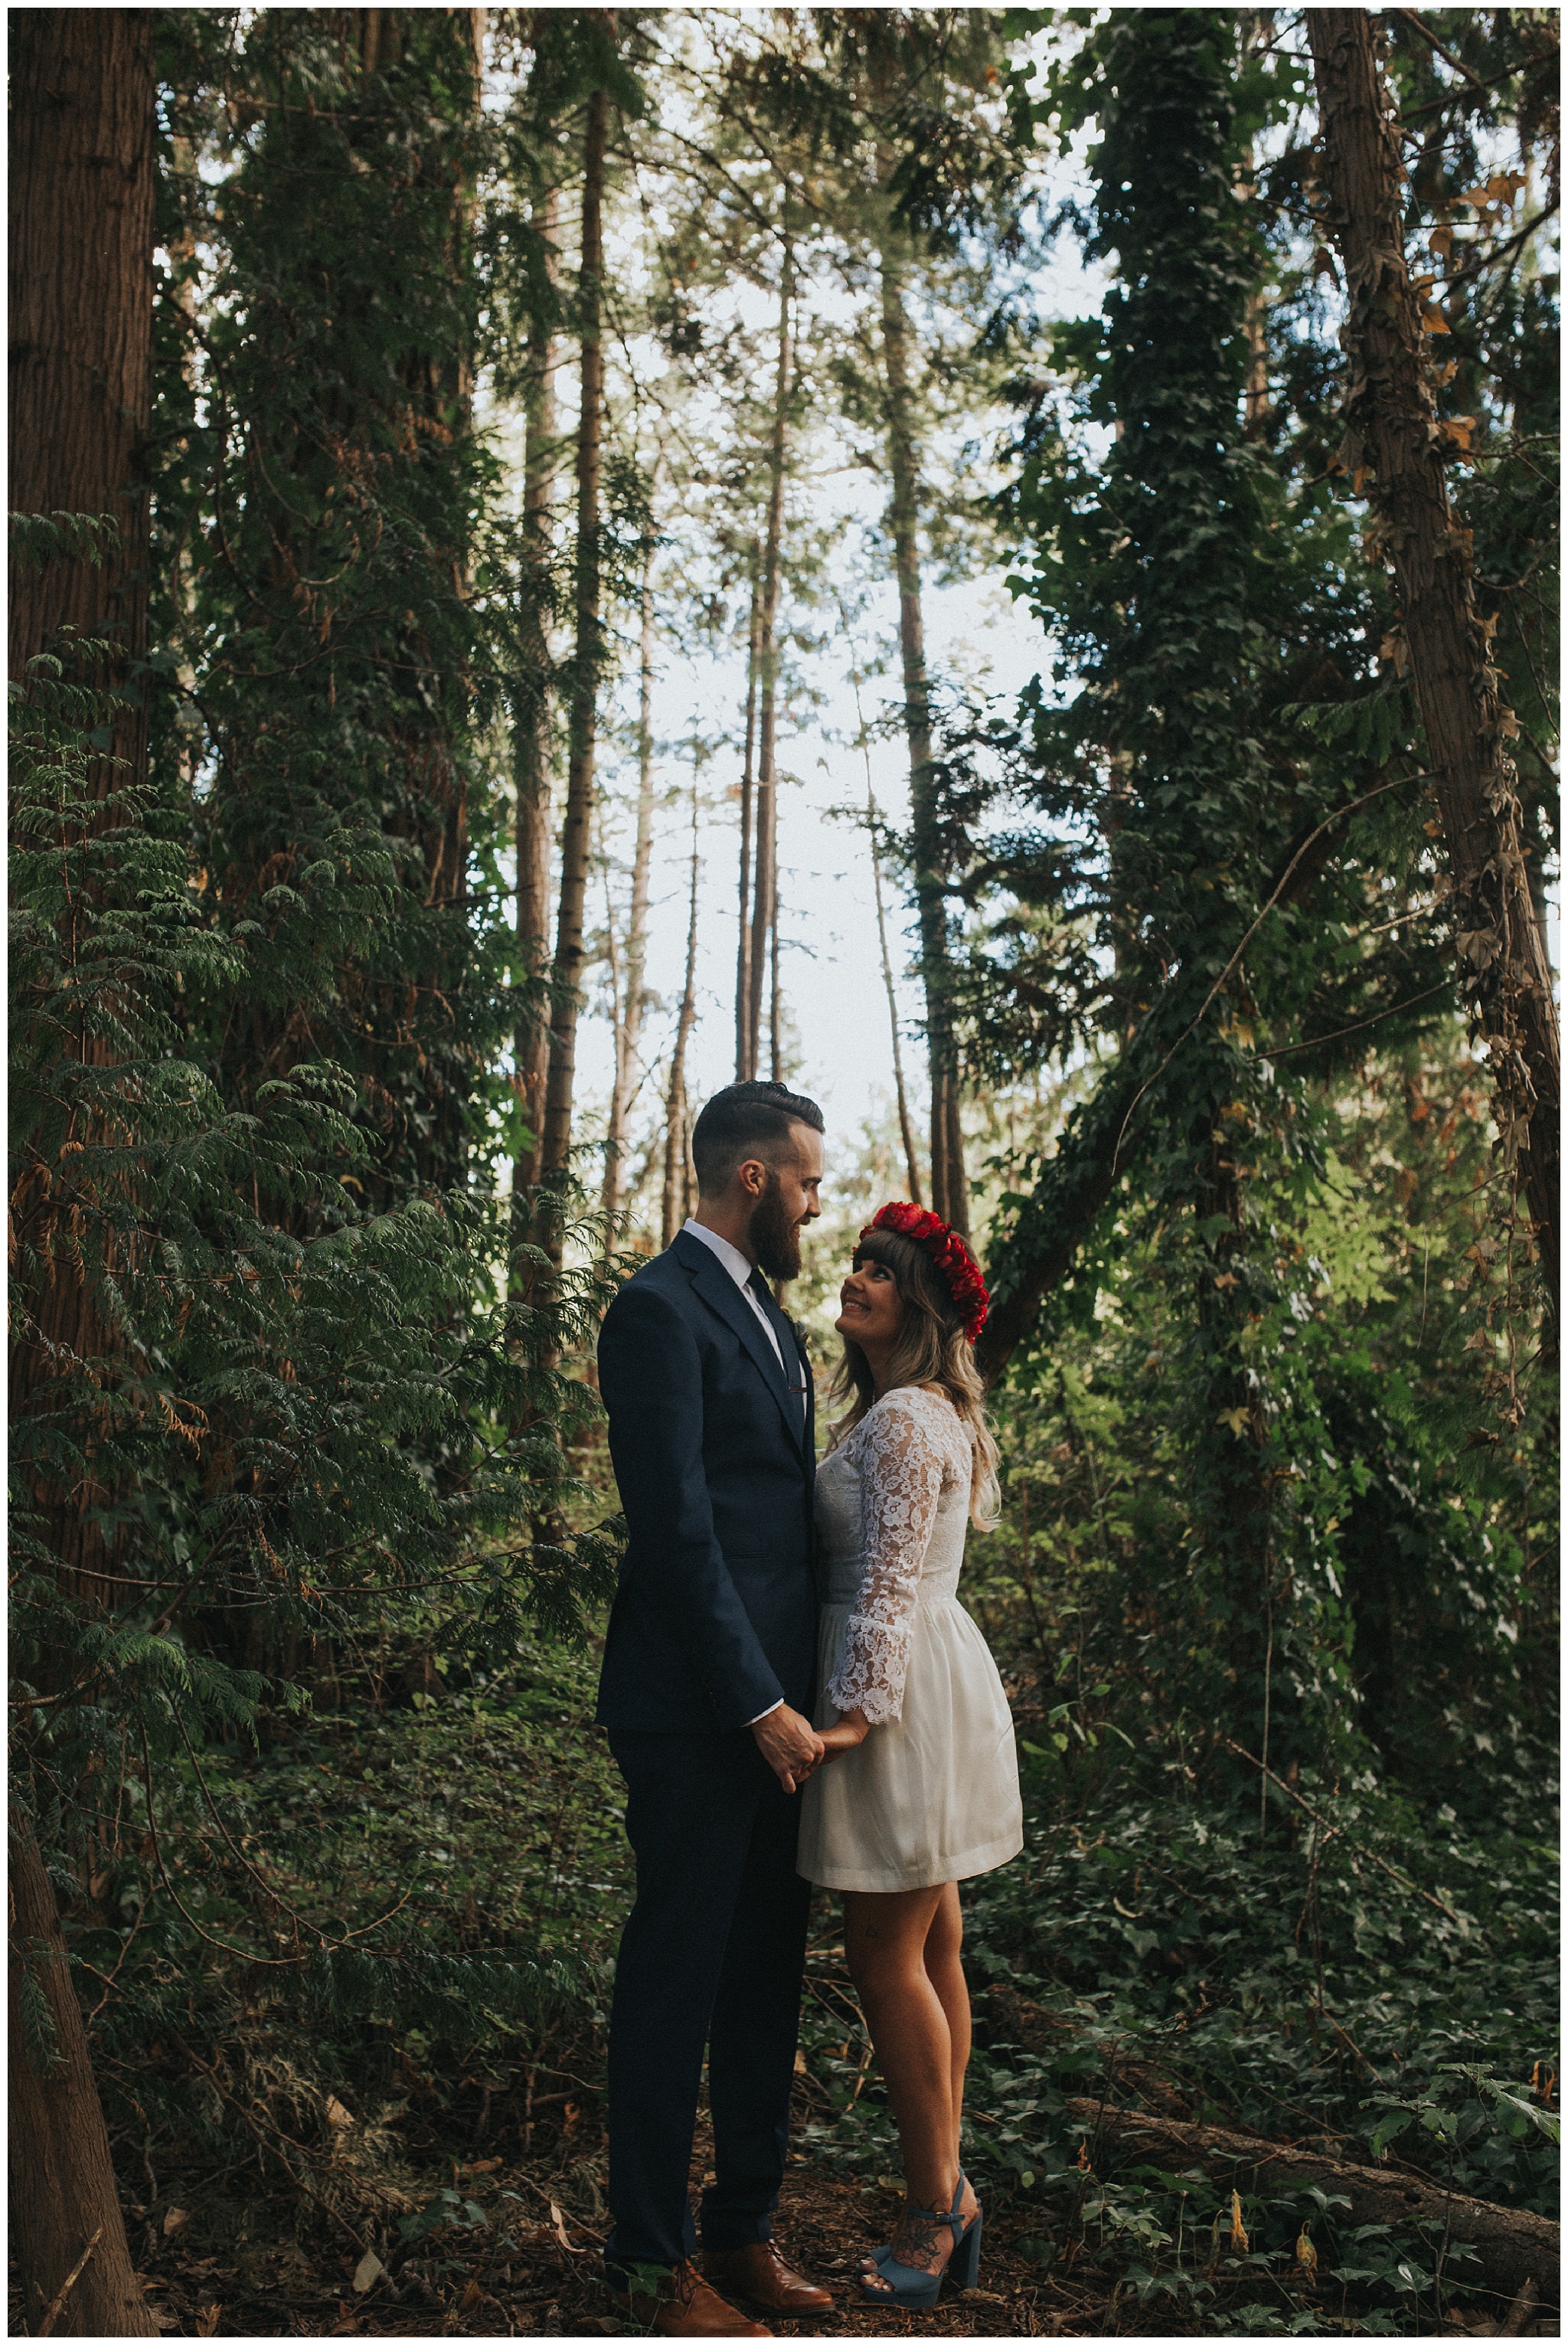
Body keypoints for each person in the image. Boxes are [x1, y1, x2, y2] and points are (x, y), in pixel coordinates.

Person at [595, 1080, 836, 2339]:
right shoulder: (656, 1310)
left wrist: (821, 1697)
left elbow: (783, 1531)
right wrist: (755, 1702)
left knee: (762, 1982)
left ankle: (742, 2230)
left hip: (785, 1723)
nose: (816, 1204)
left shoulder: (777, 1326)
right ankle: (648, 2261)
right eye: (808, 1181)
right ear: (754, 1178)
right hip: (695, 1713)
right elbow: (678, 1534)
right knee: (675, 1981)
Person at [798, 1201, 1024, 2310]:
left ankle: (934, 2210)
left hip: (892, 1696)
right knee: (935, 1945)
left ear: (921, 1306)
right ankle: (951, 2188)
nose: (857, 1278)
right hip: (931, 1680)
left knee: (884, 1954)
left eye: (882, 1272)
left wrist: (851, 1720)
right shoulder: (919, 1411)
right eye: (856, 1263)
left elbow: (886, 1587)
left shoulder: (899, 1421)